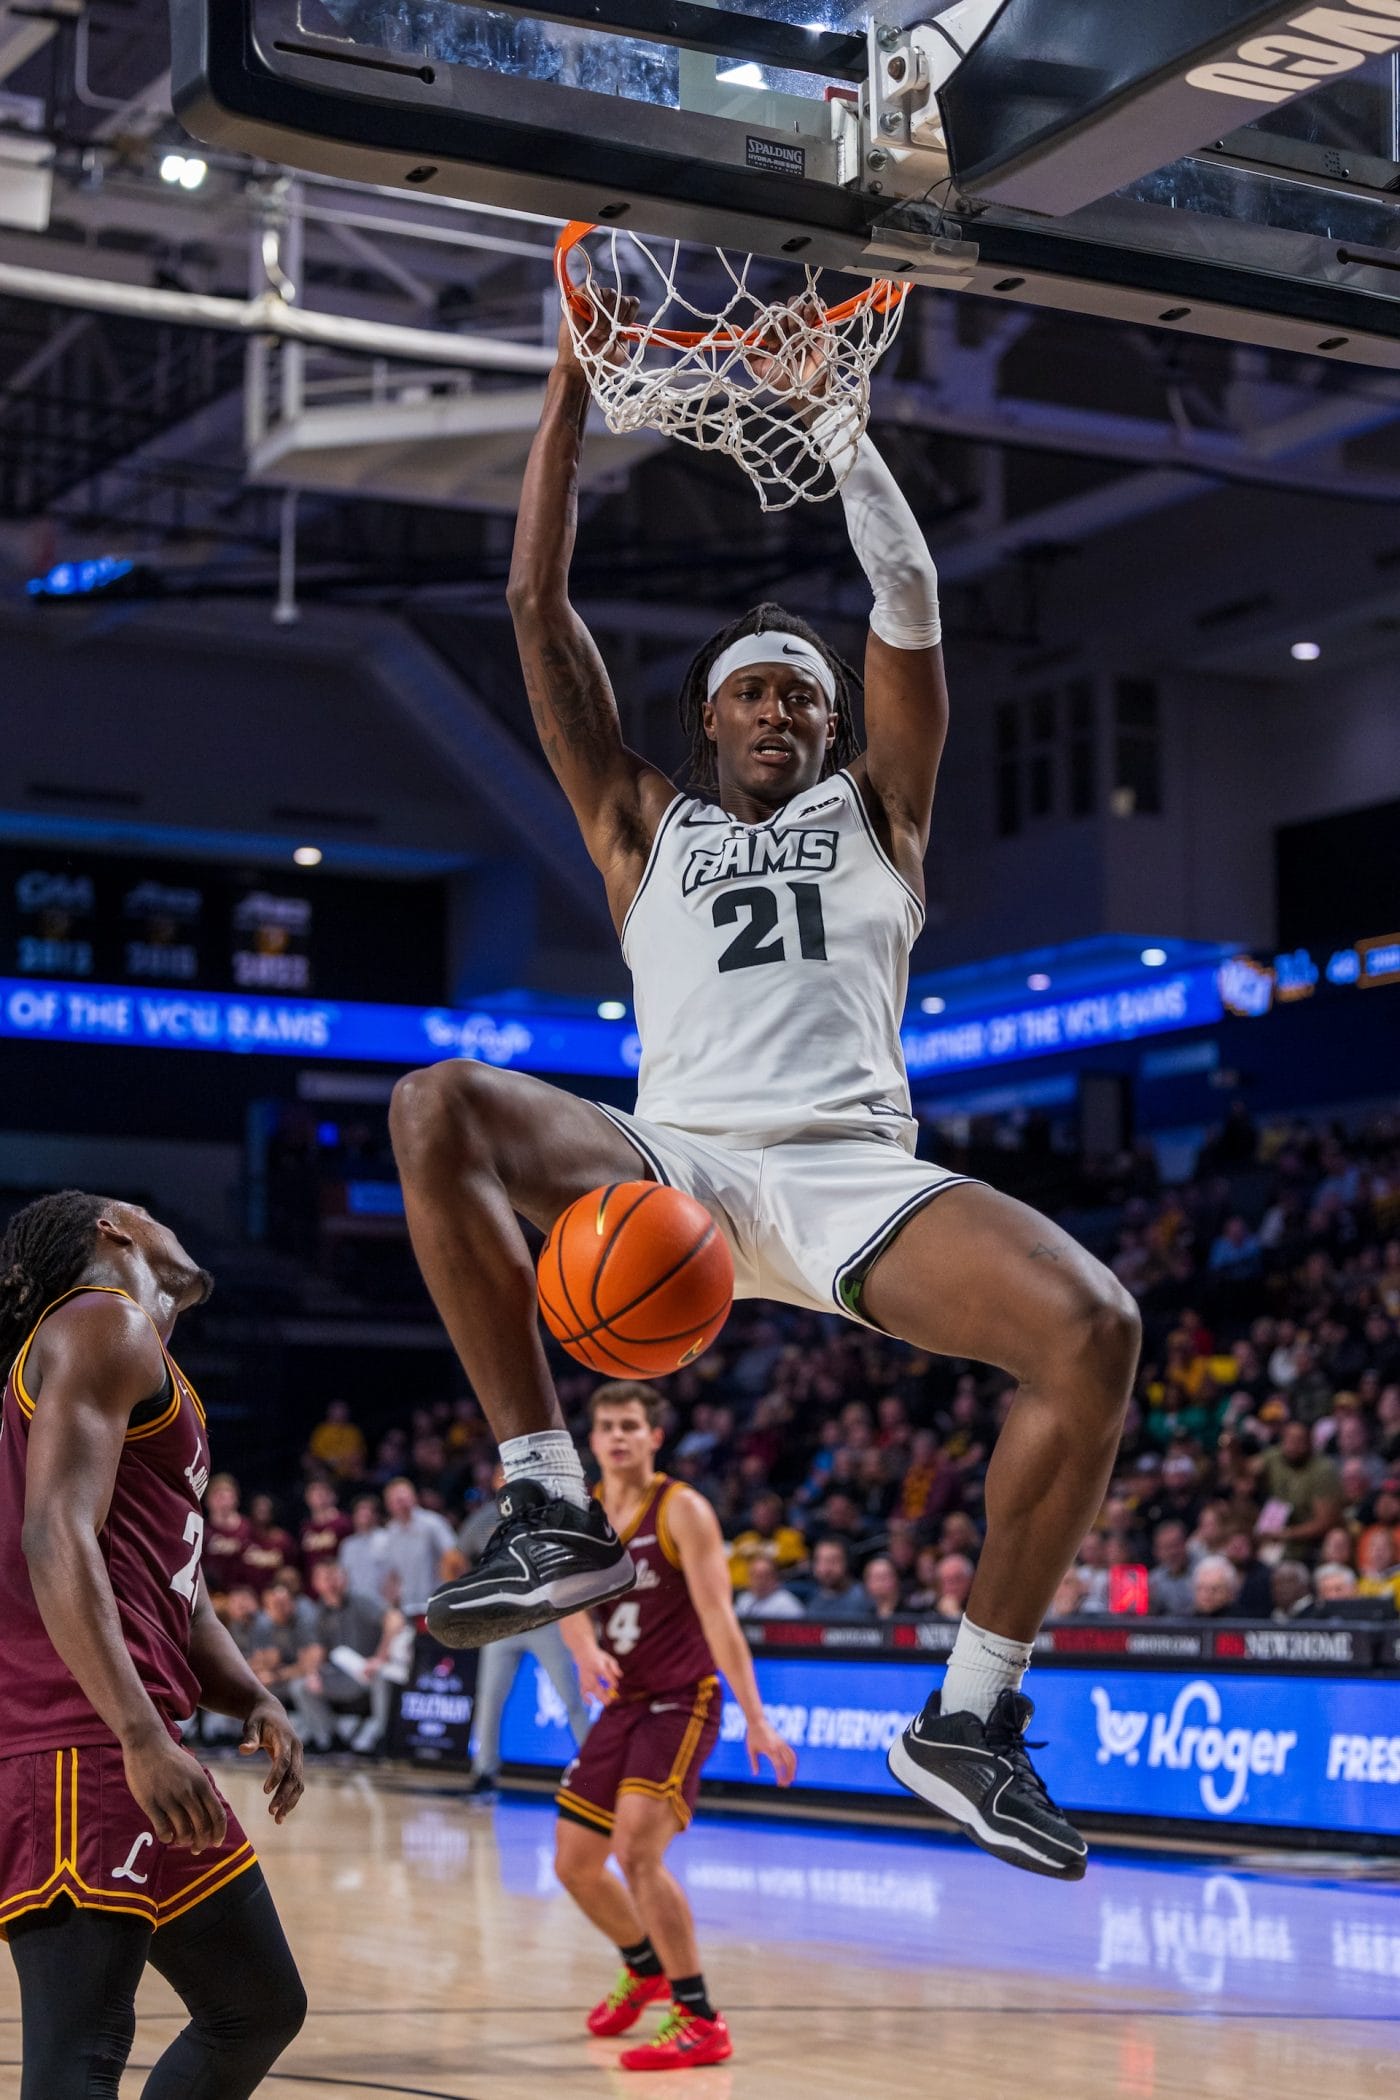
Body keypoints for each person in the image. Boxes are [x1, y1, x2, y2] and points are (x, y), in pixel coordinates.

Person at [389, 291, 1140, 1883]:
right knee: (436, 1103)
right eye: (759, 688)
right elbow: (537, 606)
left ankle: (970, 1717)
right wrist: (563, 399)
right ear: (709, 717)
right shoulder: (640, 828)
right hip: (672, 1160)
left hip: (859, 1176)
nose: (790, 705)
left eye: (807, 688)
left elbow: (914, 594)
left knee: (1095, 1330)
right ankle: (547, 1508)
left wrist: (840, 428)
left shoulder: (888, 815)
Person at [0, 1189, 306, 2099]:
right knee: (81, 2050)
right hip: (83, 1736)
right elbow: (56, 1536)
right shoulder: (105, 1322)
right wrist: (141, 1736)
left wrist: (251, 1693)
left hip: (121, 1732)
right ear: (114, 1229)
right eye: (148, 1211)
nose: (175, 1222)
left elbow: (176, 1581)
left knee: (256, 2004)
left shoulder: (125, 1355)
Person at [553, 1383, 796, 2071]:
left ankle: (698, 2017)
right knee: (573, 1863)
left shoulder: (682, 1508)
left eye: (631, 1425)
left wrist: (756, 1719)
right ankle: (643, 1965)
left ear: (655, 1437)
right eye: (607, 1427)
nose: (619, 1436)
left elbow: (720, 1618)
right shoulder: (585, 1513)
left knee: (636, 1851)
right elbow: (567, 1596)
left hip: (682, 1699)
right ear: (592, 1440)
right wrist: (582, 1648)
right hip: (623, 1702)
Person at [289, 1559, 410, 1755]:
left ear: (344, 1579)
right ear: (316, 1583)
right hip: (341, 1675)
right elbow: (317, 1650)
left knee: (382, 1675)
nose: (331, 1583)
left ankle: (382, 1740)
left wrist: (379, 1657)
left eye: (335, 1576)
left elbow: (395, 1620)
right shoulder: (319, 1611)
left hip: (367, 1672)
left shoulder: (361, 1600)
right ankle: (330, 1740)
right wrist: (313, 1672)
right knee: (301, 1686)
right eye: (325, 1578)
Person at [377, 1476, 457, 1618]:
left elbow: (453, 1557)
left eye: (404, 1498)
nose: (402, 1504)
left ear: (414, 1497)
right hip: (408, 1607)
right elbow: (391, 1574)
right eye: (397, 1500)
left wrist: (452, 1594)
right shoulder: (389, 1533)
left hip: (438, 1603)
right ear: (388, 1505)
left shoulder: (433, 1523)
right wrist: (391, 1605)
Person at [734, 1553, 804, 1621]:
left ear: (776, 1578)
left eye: (765, 1576)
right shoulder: (744, 1600)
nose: (759, 1581)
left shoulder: (787, 1605)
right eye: (754, 1576)